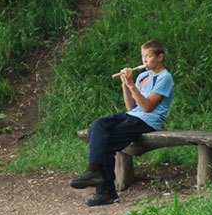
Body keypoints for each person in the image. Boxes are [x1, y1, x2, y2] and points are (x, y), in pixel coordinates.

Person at [70, 39, 174, 206]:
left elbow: (147, 108)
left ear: (160, 57)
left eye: (148, 56)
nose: (144, 60)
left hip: (148, 121)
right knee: (98, 124)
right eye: (143, 56)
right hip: (133, 115)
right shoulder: (143, 76)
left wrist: (132, 85)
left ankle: (106, 191)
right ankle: (94, 171)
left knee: (106, 142)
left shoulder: (164, 78)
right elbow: (131, 107)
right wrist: (125, 85)